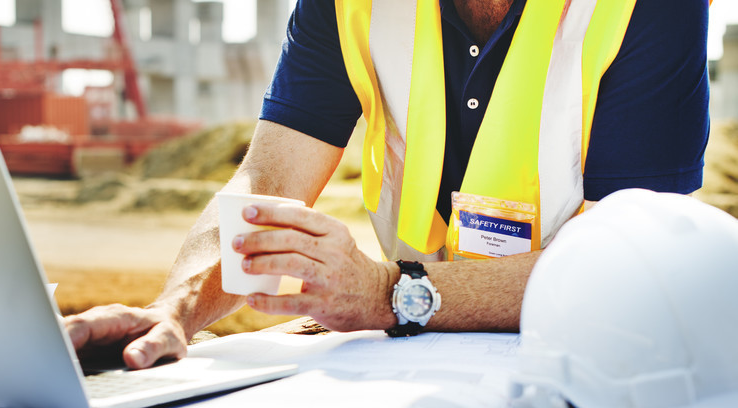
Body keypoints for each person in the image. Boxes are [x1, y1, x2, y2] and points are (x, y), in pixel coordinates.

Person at [66, 0, 710, 369]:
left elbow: (620, 263)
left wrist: (391, 295)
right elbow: (266, 183)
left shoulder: (648, 8)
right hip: (419, 360)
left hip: (595, 362)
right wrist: (174, 310)